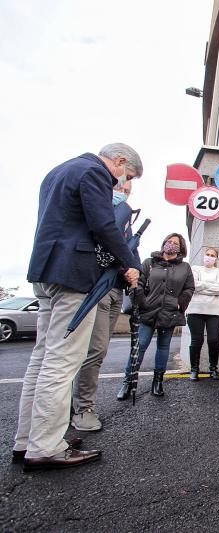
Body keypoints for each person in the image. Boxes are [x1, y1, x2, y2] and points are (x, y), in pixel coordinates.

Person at [13, 143, 142, 472]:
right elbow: (102, 225)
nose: (120, 184)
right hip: (73, 274)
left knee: (42, 359)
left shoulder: (59, 171)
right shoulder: (94, 173)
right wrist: (128, 263)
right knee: (62, 361)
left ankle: (28, 440)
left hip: (45, 271)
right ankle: (47, 446)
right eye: (124, 176)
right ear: (119, 161)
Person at [71, 178, 138, 432]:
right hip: (96, 286)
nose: (124, 195)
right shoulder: (98, 215)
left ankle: (74, 405)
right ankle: (83, 408)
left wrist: (133, 269)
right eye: (120, 189)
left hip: (116, 289)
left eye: (128, 192)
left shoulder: (125, 221)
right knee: (94, 350)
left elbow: (129, 252)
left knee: (97, 350)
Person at [116, 233, 194, 399]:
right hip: (148, 311)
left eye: (175, 243)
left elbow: (189, 288)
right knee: (140, 346)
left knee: (163, 347)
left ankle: (158, 381)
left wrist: (180, 303)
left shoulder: (185, 267)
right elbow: (139, 283)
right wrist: (143, 301)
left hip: (170, 312)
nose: (171, 244)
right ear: (164, 243)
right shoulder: (149, 263)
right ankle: (128, 382)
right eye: (169, 241)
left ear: (181, 248)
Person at [185, 247, 219, 381]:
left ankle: (213, 368)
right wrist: (210, 287)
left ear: (216, 258)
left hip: (215, 311)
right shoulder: (195, 269)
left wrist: (201, 286)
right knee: (196, 341)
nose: (209, 257)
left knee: (213, 340)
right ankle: (194, 369)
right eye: (207, 254)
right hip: (195, 309)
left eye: (212, 255)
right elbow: (193, 285)